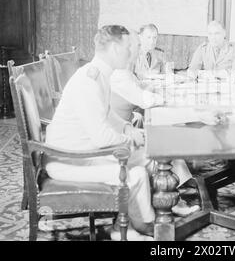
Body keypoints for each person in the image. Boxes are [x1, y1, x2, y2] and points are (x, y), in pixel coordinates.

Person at [45, 25, 198, 241]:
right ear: (116, 49)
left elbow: (107, 114)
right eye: (128, 47)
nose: (132, 52)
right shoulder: (89, 80)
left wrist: (128, 130)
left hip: (85, 151)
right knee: (136, 174)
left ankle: (152, 215)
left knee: (150, 154)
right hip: (71, 160)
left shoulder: (99, 74)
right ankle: (140, 227)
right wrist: (130, 139)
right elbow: (101, 137)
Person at [111, 29, 164, 122]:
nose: (141, 49)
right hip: (118, 128)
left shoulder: (125, 71)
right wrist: (163, 97)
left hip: (125, 121)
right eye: (139, 45)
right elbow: (146, 101)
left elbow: (139, 85)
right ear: (128, 48)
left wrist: (150, 87)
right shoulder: (119, 74)